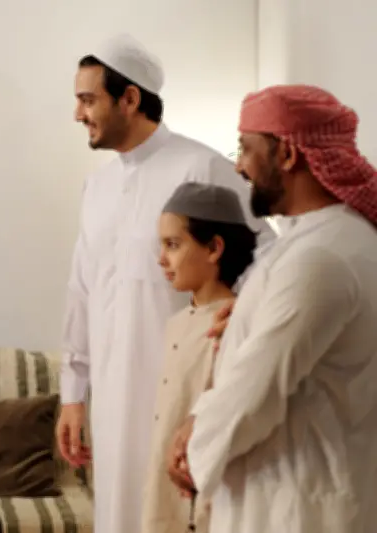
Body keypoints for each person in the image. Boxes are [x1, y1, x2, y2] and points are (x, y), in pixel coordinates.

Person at [54, 33, 274, 533]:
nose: (78, 114)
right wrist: (73, 393)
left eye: (88, 99)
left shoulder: (203, 167)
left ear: (129, 98)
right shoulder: (97, 186)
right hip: (111, 396)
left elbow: (268, 253)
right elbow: (81, 291)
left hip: (184, 391)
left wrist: (242, 313)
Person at [168, 84, 377, 533]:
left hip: (296, 505)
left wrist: (193, 443)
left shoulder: (321, 257)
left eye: (246, 148)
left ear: (286, 154)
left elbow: (256, 393)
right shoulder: (322, 240)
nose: (238, 165)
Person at [141, 182, 258, 533]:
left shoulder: (235, 322)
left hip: (206, 498)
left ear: (214, 248)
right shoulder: (176, 324)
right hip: (164, 488)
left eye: (173, 245)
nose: (161, 259)